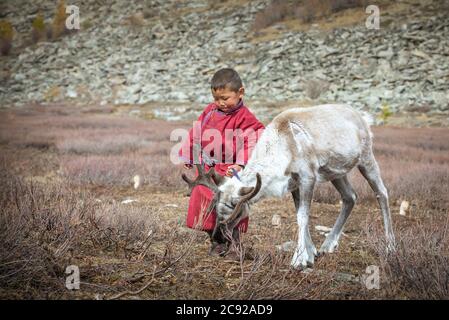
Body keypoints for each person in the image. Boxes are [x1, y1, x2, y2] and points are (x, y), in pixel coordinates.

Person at [179, 68, 265, 259]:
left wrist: (241, 164)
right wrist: (188, 154)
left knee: (231, 204)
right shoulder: (210, 111)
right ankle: (216, 242)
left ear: (240, 92)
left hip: (230, 171)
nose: (220, 103)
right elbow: (197, 131)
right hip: (210, 171)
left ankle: (234, 244)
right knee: (206, 201)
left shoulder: (245, 116)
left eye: (225, 98)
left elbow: (255, 137)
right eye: (216, 98)